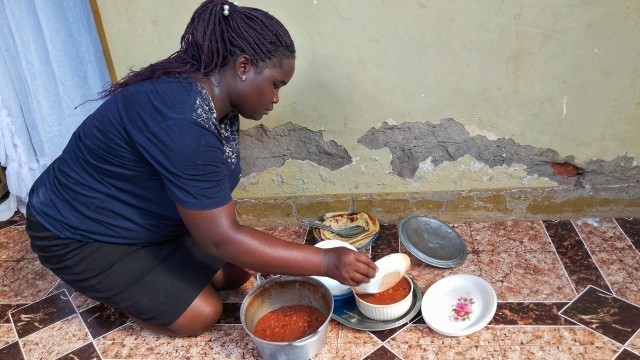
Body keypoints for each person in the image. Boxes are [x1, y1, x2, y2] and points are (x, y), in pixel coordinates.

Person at [25, 0, 377, 337]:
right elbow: (221, 237)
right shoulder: (182, 119)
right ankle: (123, 290)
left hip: (143, 221)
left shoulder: (212, 101)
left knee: (236, 274)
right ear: (243, 67)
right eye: (275, 84)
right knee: (201, 314)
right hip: (79, 234)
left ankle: (156, 272)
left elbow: (211, 205)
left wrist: (267, 253)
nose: (275, 99)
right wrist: (329, 263)